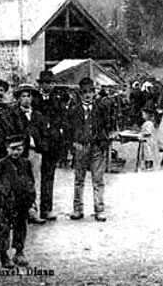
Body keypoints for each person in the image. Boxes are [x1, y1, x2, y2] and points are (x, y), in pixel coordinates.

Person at [0, 134, 35, 268]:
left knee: (21, 227)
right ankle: (4, 255)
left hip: (21, 202)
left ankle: (19, 252)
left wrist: (32, 202)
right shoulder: (1, 164)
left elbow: (30, 182)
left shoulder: (26, 163)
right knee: (4, 230)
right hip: (6, 202)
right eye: (12, 149)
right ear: (7, 149)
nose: (15, 152)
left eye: (19, 149)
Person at [68, 77, 110, 221]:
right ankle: (78, 209)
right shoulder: (74, 111)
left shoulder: (101, 109)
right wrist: (73, 144)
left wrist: (104, 142)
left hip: (97, 147)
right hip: (81, 147)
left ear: (94, 93)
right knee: (79, 179)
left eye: (90, 92)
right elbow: (69, 130)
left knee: (98, 179)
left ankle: (99, 210)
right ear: (80, 94)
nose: (88, 95)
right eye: (84, 92)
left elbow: (107, 126)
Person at [31, 70, 68, 222]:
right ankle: (31, 209)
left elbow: (62, 120)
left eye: (50, 83)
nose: (47, 86)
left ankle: (46, 209)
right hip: (36, 144)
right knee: (31, 177)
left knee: (48, 177)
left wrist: (58, 136)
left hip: (52, 144)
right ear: (40, 85)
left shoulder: (57, 101)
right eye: (44, 83)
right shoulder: (34, 100)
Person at [8, 83, 47, 225]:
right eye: (23, 96)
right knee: (17, 182)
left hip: (34, 152)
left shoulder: (38, 115)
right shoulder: (13, 114)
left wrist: (41, 145)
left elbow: (44, 134)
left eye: (28, 96)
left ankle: (32, 211)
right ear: (18, 99)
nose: (26, 99)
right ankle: (15, 214)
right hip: (18, 153)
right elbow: (10, 132)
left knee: (33, 181)